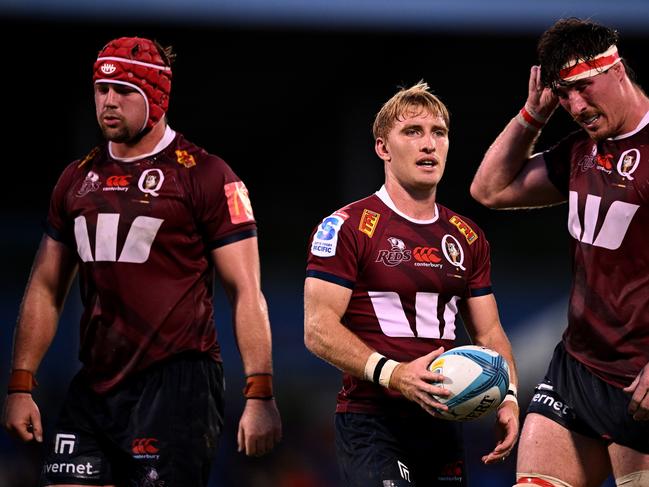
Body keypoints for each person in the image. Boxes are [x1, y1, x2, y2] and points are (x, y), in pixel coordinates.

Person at [2, 36, 281, 486]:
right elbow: (46, 286)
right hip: (94, 382)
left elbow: (245, 290)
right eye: (100, 89)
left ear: (156, 96)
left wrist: (260, 392)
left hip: (177, 386)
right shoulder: (76, 179)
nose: (109, 102)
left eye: (124, 91)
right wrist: (20, 383)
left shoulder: (206, 175)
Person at [304, 82, 520, 486]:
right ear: (383, 148)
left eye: (438, 132)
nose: (429, 145)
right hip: (373, 421)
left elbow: (489, 330)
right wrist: (395, 374)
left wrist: (507, 395)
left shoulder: (467, 236)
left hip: (443, 422)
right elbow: (317, 329)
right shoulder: (348, 226)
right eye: (412, 132)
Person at [470, 18, 649, 487]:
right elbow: (489, 189)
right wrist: (533, 113)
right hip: (577, 369)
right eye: (562, 94)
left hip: (640, 378)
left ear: (617, 70)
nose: (574, 105)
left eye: (582, 87)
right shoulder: (581, 150)